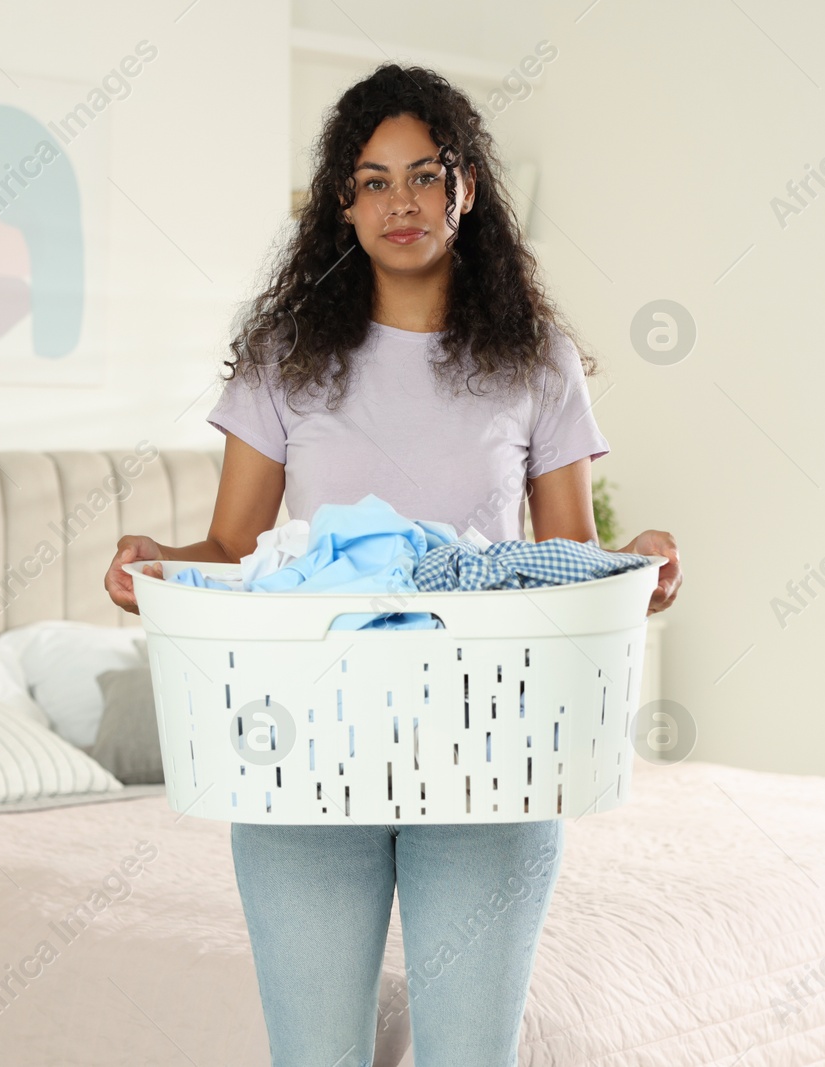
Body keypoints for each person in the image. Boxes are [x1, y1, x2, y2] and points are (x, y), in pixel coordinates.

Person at [104, 63, 681, 1067]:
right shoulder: (287, 353)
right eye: (373, 180)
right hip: (305, 749)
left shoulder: (533, 356)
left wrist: (637, 564)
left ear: (465, 189)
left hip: (490, 747)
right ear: (341, 201)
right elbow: (236, 547)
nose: (400, 201)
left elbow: (566, 556)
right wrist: (157, 559)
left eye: (424, 175)